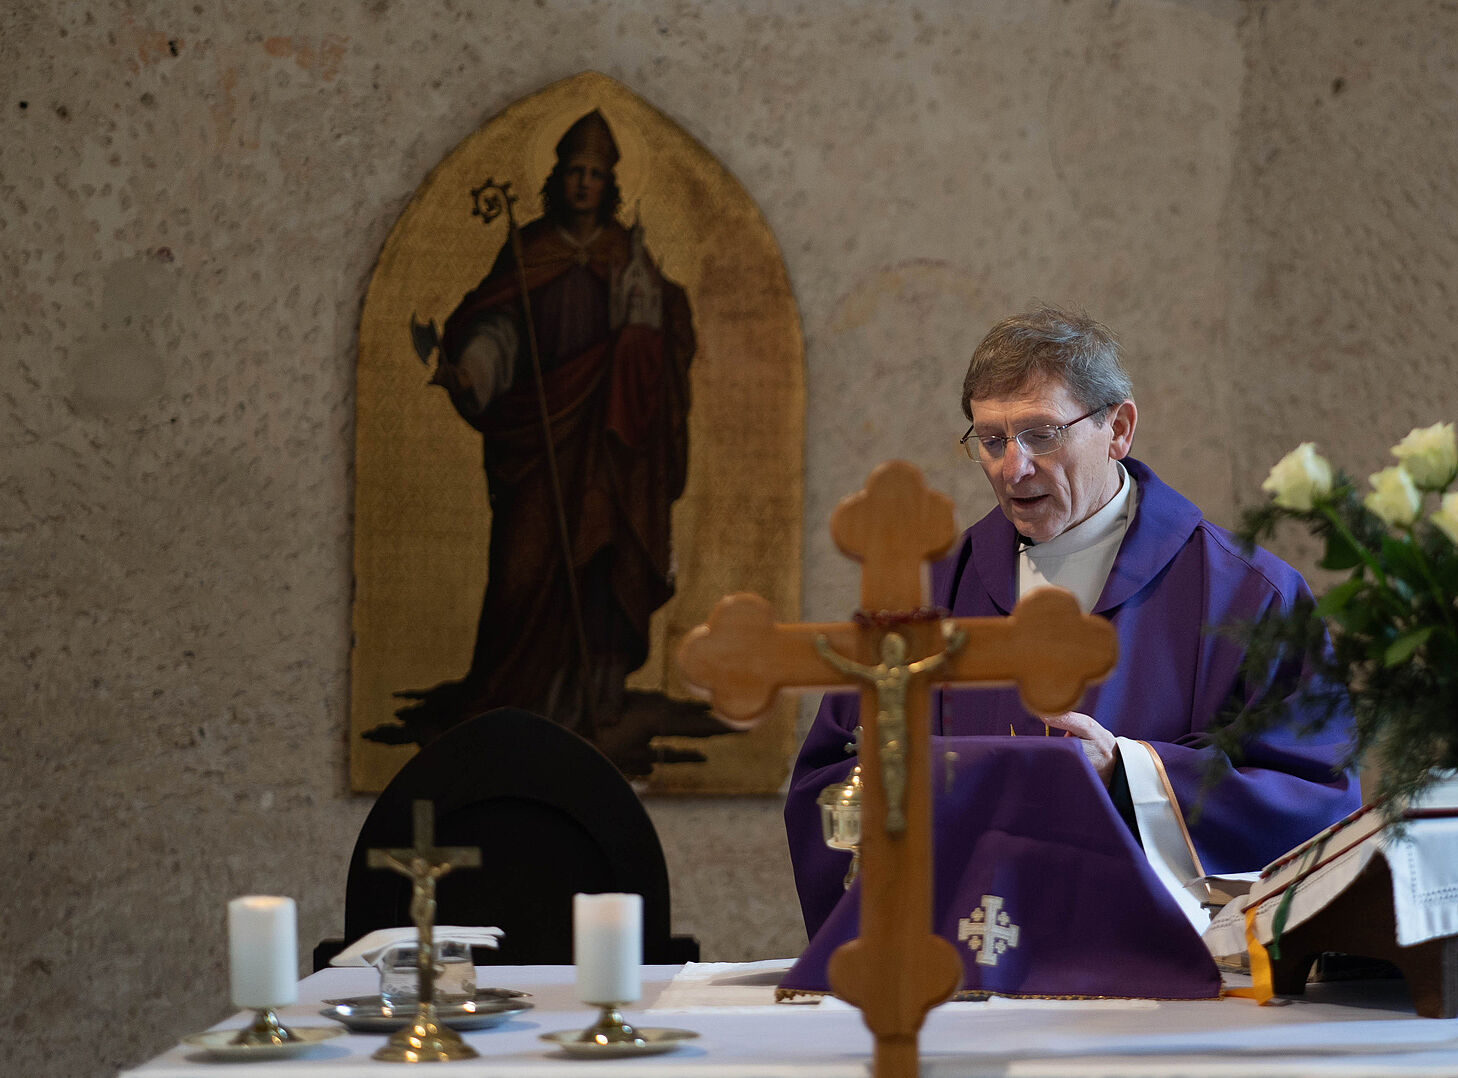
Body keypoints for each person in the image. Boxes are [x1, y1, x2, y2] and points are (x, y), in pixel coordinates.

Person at [783, 305, 1359, 939]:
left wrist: (1129, 769)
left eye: (1041, 434)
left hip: (1163, 986)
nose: (1013, 467)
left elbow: (1313, 800)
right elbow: (829, 778)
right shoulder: (925, 597)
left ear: (1119, 429)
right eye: (992, 440)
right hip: (963, 966)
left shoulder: (1249, 595)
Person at [393, 109, 697, 750]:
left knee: (600, 566)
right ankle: (517, 695)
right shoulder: (530, 251)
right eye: (574, 172)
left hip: (611, 449)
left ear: (610, 184)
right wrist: (474, 370)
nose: (584, 183)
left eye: (595, 174)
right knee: (523, 571)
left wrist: (654, 316)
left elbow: (668, 325)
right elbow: (495, 328)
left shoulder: (625, 254)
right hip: (540, 445)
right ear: (557, 180)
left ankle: (594, 695)